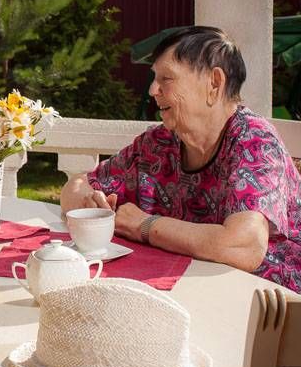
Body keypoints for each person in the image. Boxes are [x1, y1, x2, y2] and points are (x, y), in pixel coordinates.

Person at [60, 26, 301, 291]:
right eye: (154, 78)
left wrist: (144, 226)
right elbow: (76, 185)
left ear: (214, 83)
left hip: (269, 301)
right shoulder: (159, 142)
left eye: (166, 78)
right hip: (189, 285)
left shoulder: (254, 141)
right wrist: (91, 204)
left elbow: (244, 246)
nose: (153, 90)